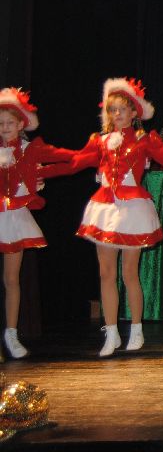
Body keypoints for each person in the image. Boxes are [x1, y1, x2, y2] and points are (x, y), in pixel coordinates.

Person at [45, 78, 163, 356]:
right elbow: (74, 162)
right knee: (106, 273)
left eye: (122, 109)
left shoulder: (145, 141)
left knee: (129, 273)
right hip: (105, 208)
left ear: (134, 113)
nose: (117, 114)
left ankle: (136, 329)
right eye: (112, 110)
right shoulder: (101, 142)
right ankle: (111, 333)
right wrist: (39, 171)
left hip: (133, 210)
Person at [0, 88, 75, 359]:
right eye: (0, 124)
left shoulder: (28, 150)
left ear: (21, 124)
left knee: (11, 278)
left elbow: (59, 160)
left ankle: (11, 334)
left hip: (14, 218)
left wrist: (35, 182)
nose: (4, 128)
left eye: (9, 123)